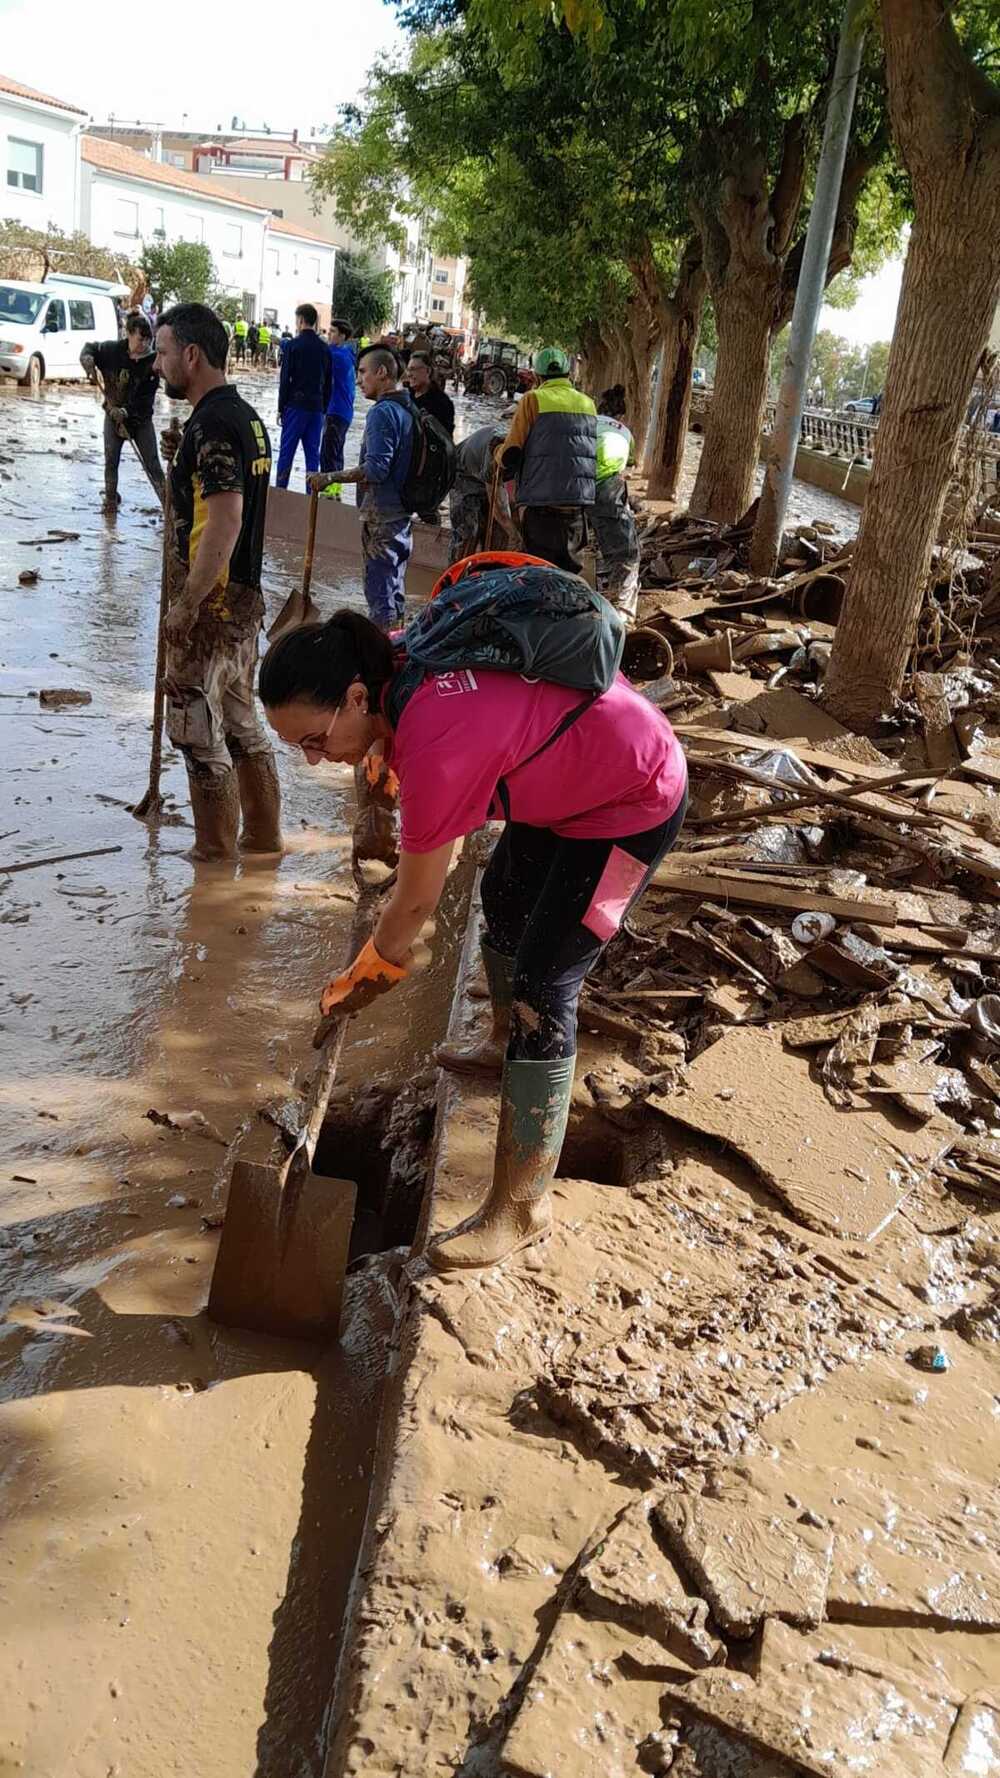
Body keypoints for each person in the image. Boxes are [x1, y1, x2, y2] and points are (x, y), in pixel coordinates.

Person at [257, 572, 688, 1270]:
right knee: (506, 902)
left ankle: (521, 1207)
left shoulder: (437, 738)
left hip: (632, 796)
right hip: (563, 784)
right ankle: (499, 1041)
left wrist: (372, 969)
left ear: (357, 699)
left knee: (547, 985)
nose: (314, 759)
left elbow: (419, 901)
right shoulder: (384, 660)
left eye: (313, 741)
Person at [154, 302, 282, 861]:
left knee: (195, 730)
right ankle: (261, 839)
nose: (156, 365)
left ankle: (213, 853)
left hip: (212, 604)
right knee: (238, 722)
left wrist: (186, 604)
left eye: (161, 353)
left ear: (191, 354)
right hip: (244, 598)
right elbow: (212, 503)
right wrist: (179, 461)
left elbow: (225, 518)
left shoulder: (211, 425)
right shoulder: (245, 418)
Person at [308, 346, 416, 630]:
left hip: (382, 518)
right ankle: (396, 647)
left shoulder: (382, 413)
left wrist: (329, 478)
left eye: (363, 372)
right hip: (401, 516)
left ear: (382, 373)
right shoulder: (408, 408)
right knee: (395, 594)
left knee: (380, 598)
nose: (358, 380)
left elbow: (376, 470)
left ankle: (380, 660)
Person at [499, 345, 596, 573]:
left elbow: (512, 451)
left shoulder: (533, 399)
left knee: (539, 574)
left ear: (537, 377)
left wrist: (497, 455)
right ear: (568, 374)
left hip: (542, 504)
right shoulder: (588, 403)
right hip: (578, 505)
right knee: (568, 575)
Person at [81, 311, 165, 513]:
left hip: (140, 421)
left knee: (152, 464)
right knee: (111, 461)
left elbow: (146, 401)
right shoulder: (111, 351)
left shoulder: (153, 363)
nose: (144, 344)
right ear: (128, 334)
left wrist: (126, 412)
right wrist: (87, 358)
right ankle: (110, 503)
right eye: (140, 339)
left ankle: (168, 506)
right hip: (112, 416)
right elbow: (90, 347)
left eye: (148, 340)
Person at [593, 384, 640, 623]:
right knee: (628, 555)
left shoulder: (588, 422)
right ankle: (621, 617)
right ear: (621, 415)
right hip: (606, 491)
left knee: (589, 548)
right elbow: (629, 466)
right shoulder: (625, 432)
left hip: (574, 487)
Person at [275, 303, 332, 489]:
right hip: (316, 408)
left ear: (300, 320)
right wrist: (323, 408)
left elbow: (285, 380)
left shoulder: (293, 346)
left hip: (295, 406)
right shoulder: (325, 348)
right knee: (312, 456)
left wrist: (280, 407)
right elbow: (328, 382)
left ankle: (280, 495)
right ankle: (312, 500)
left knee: (286, 453)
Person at [448, 422, 515, 562]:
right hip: (463, 474)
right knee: (469, 530)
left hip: (486, 472)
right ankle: (457, 575)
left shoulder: (529, 451)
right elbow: (497, 505)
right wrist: (514, 533)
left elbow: (515, 500)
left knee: (500, 534)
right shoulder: (496, 452)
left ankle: (490, 571)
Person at [320, 317, 356, 499]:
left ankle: (328, 491)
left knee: (328, 453)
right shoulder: (346, 353)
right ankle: (336, 491)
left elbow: (317, 353)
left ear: (342, 336)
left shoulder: (337, 356)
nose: (329, 335)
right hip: (344, 412)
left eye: (332, 332)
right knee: (336, 451)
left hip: (336, 411)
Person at [406, 351, 455, 437]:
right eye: (408, 370)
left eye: (413, 370)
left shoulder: (442, 403)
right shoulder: (405, 397)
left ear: (428, 371)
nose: (409, 374)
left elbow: (444, 439)